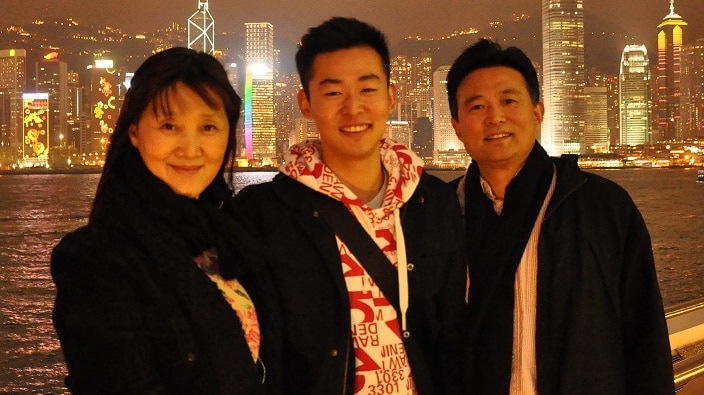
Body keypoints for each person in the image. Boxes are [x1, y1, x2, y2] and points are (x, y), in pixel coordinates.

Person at [234, 17, 466, 395]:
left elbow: (452, 336)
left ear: (391, 96)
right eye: (333, 93)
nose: (353, 107)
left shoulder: (433, 202)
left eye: (367, 89)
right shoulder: (264, 213)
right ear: (305, 103)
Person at [446, 38, 674, 394]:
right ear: (457, 125)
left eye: (509, 100)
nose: (495, 117)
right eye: (476, 107)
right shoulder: (439, 214)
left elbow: (645, 339)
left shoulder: (603, 208)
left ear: (538, 111)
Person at [51, 47, 282, 394]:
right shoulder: (95, 260)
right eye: (169, 125)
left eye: (208, 127)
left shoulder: (236, 235)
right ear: (134, 132)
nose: (190, 149)